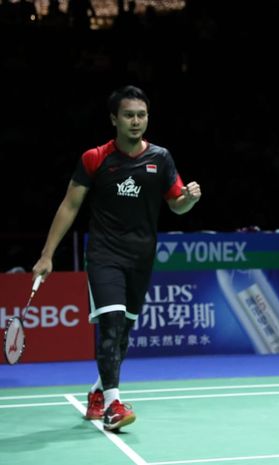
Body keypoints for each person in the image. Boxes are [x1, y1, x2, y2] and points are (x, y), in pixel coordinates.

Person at [32, 85, 202, 431]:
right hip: (104, 255)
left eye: (141, 115)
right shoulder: (95, 158)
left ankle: (97, 392)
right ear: (114, 119)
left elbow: (177, 205)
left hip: (141, 259)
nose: (136, 121)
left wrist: (190, 199)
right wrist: (47, 254)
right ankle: (113, 406)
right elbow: (70, 205)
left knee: (121, 337)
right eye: (128, 115)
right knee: (110, 327)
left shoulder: (161, 158)